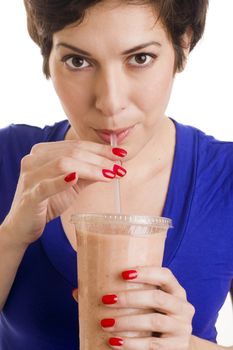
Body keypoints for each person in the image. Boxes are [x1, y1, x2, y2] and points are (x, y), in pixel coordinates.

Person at [0, 0, 232, 349]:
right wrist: (13, 233)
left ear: (182, 42)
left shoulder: (225, 176)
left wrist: (188, 345)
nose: (110, 102)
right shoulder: (9, 158)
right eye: (77, 61)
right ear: (49, 55)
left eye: (140, 58)